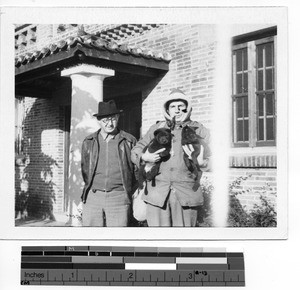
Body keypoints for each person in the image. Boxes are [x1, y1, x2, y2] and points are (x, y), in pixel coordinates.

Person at [131, 89, 211, 227]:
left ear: (188, 108)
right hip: (157, 195)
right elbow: (136, 150)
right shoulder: (157, 128)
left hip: (186, 196)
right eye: (173, 106)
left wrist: (203, 162)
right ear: (167, 110)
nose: (177, 110)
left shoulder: (199, 130)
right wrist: (145, 156)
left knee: (183, 243)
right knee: (159, 243)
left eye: (181, 106)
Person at [81, 100, 137, 227]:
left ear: (117, 118)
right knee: (91, 239)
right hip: (93, 197)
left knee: (116, 240)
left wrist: (126, 192)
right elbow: (84, 169)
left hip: (119, 196)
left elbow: (136, 170)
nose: (109, 123)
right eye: (105, 120)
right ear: (99, 121)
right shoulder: (89, 141)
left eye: (112, 119)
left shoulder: (129, 140)